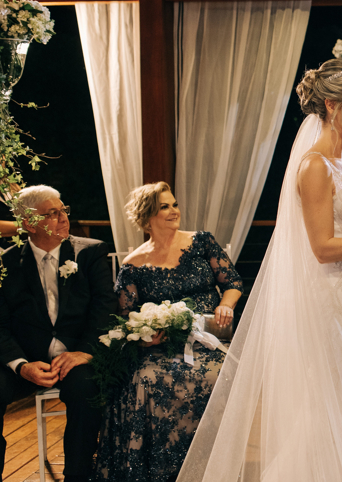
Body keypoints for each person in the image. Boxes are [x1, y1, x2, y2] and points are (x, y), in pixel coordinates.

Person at [177, 59, 342, 482]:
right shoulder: (312, 166)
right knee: (329, 394)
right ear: (331, 104)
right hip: (327, 296)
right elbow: (324, 248)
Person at [91, 182, 243, 482]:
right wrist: (145, 335)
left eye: (174, 204)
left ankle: (210, 465)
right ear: (148, 217)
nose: (175, 211)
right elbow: (126, 318)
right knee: (145, 379)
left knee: (216, 376)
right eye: (165, 206)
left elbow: (233, 283)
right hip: (160, 348)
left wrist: (226, 305)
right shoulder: (133, 264)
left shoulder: (202, 242)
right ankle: (162, 468)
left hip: (209, 339)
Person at [0, 185, 116, 482]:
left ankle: (78, 477)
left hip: (75, 356)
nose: (63, 218)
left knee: (87, 389)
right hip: (27, 359)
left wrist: (85, 351)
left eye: (63, 210)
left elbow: (105, 309)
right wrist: (21, 365)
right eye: (52, 213)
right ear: (30, 223)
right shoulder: (3, 264)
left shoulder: (91, 253)